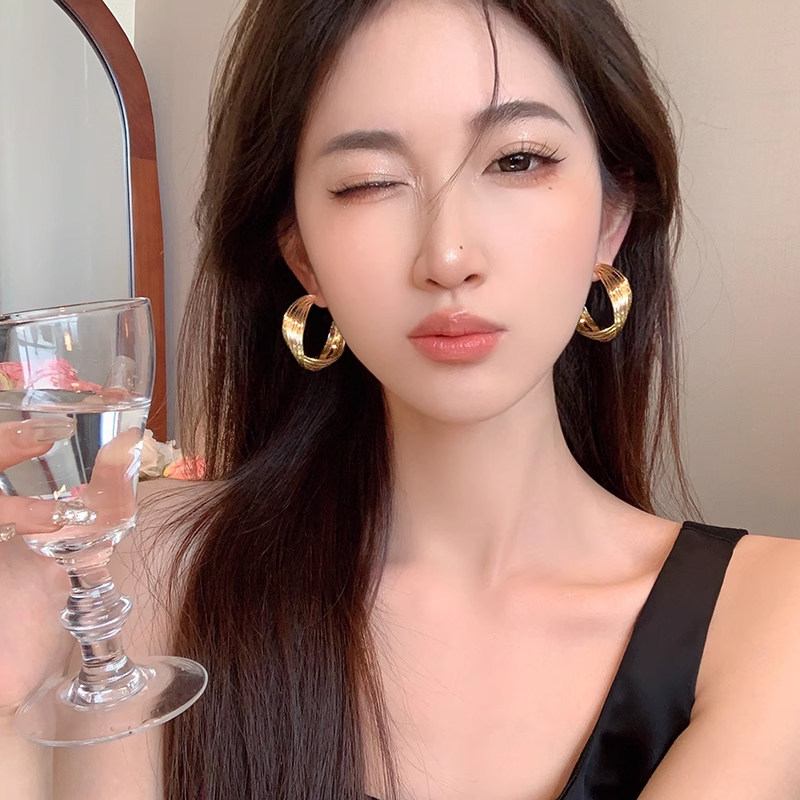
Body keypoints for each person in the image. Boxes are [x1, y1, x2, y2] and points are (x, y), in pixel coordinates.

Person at [2, 0, 800, 798]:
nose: (447, 256)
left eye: (517, 160)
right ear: (301, 255)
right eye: (369, 182)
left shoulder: (768, 616)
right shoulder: (145, 569)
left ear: (612, 216)